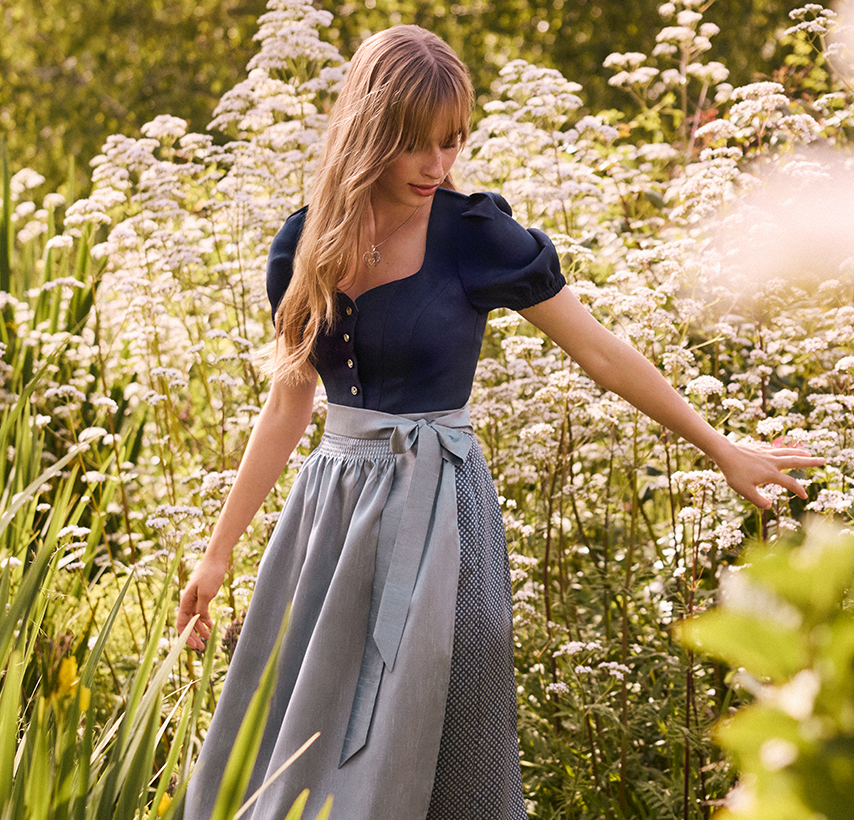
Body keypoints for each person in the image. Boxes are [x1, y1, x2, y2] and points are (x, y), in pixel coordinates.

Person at [177, 24, 822, 820]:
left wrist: (719, 447)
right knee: (312, 728)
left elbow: (600, 351)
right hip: (333, 514)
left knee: (456, 691)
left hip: (444, 506)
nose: (439, 167)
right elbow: (288, 403)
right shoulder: (301, 247)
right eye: (418, 145)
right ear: (371, 132)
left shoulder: (475, 234)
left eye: (452, 143)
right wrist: (216, 557)